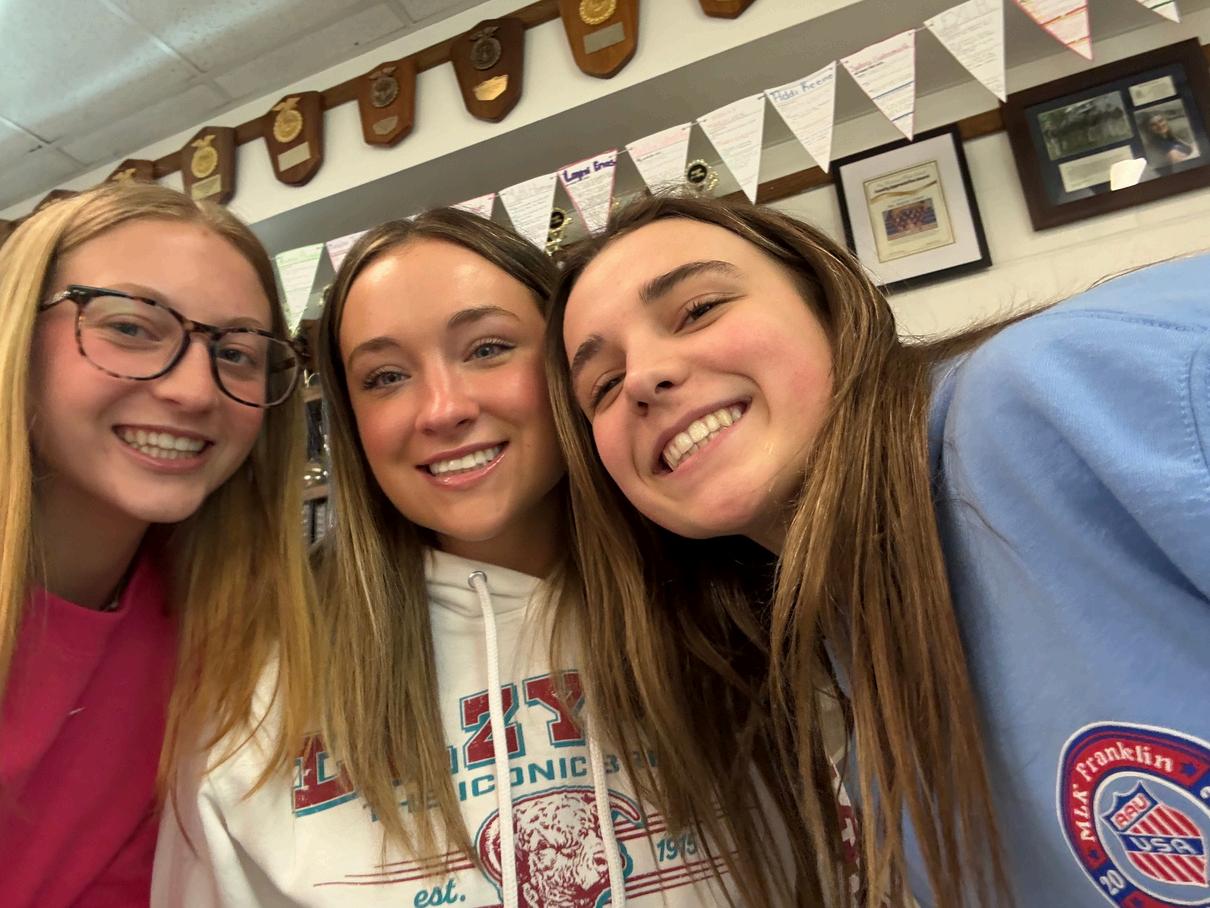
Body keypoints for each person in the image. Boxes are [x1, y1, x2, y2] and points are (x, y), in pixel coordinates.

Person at [547, 193, 1210, 908]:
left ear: (832, 305)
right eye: (603, 386)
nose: (642, 378)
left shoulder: (1069, 382)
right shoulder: (837, 684)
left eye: (699, 310)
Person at [153, 209, 809, 907]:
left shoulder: (742, 591)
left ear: (571, 365)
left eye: (488, 348)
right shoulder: (261, 684)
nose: (441, 410)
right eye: (385, 377)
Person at [0, 181, 314, 907]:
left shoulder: (230, 642)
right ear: (17, 336)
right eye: (133, 328)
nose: (196, 391)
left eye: (237, 353)